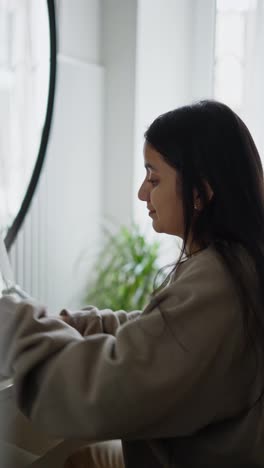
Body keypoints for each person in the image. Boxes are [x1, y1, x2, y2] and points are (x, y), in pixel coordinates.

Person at [1, 99, 264, 468]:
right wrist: (78, 323)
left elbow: (105, 394)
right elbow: (166, 333)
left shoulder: (220, 284)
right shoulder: (234, 265)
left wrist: (13, 324)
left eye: (154, 178)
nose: (143, 193)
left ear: (200, 193)